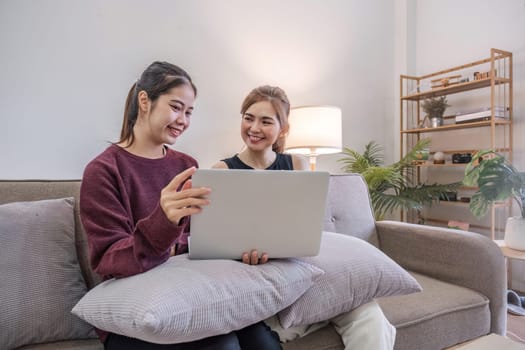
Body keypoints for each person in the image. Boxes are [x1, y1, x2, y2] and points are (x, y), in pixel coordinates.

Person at [79, 62, 282, 350]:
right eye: (176, 107)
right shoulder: (103, 170)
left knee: (263, 343)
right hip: (135, 311)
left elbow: (200, 241)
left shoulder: (186, 166)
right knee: (223, 346)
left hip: (191, 293)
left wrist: (241, 249)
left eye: (189, 112)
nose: (183, 120)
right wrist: (163, 221)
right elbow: (109, 261)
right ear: (145, 101)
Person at [213, 85, 396, 350]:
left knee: (370, 316)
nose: (254, 128)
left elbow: (307, 228)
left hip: (300, 268)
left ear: (282, 129)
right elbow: (219, 236)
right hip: (258, 280)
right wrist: (240, 252)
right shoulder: (222, 170)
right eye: (248, 118)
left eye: (266, 121)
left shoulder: (296, 165)